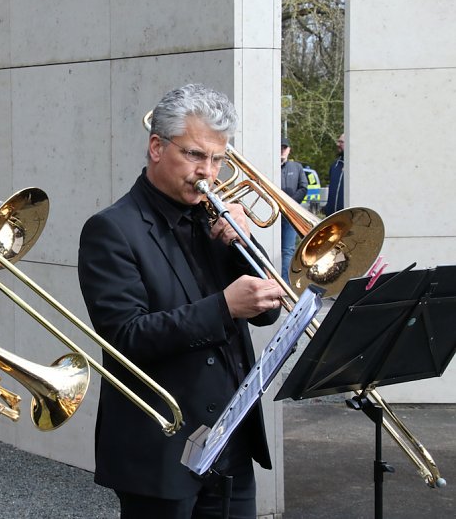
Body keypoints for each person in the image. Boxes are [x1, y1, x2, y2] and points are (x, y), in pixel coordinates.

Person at [78, 84, 282, 519]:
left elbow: (267, 311)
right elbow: (126, 337)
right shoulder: (111, 229)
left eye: (217, 159)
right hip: (160, 452)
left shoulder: (217, 219)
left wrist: (246, 246)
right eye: (194, 154)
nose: (207, 172)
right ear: (157, 146)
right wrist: (224, 307)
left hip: (231, 444)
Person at [279, 137, 307, 283]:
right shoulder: (271, 166)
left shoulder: (296, 167)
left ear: (289, 150)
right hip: (275, 213)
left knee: (288, 250)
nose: (282, 150)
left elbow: (303, 187)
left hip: (290, 214)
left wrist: (290, 203)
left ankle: (285, 283)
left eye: (285, 148)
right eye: (280, 147)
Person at [323, 133, 345, 215]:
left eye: (341, 142)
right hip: (332, 217)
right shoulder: (335, 166)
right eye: (338, 141)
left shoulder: (355, 167)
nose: (337, 144)